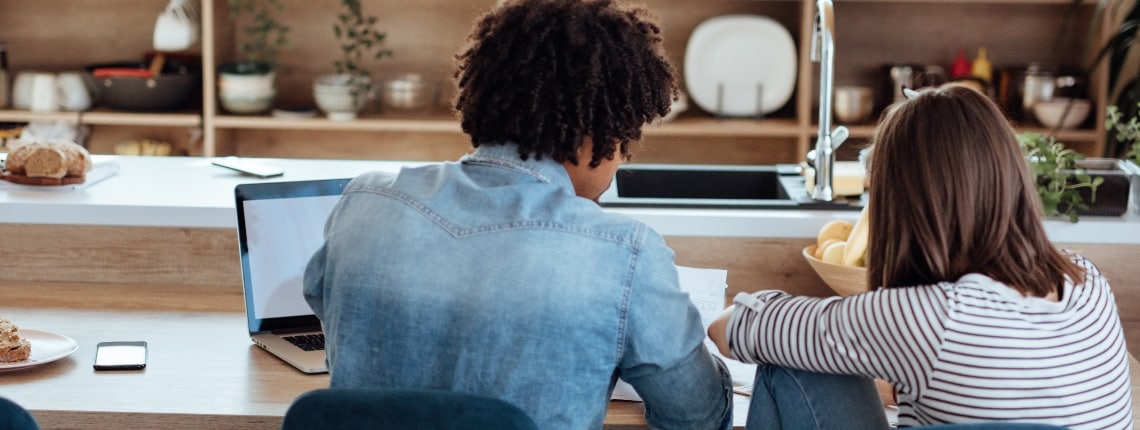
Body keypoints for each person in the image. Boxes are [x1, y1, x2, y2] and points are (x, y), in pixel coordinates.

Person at [303, 1, 733, 429]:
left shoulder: (364, 202)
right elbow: (696, 415)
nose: (622, 157)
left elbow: (324, 302)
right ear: (594, 135)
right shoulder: (624, 252)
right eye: (625, 139)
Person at [709, 84, 1134, 429]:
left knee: (792, 359)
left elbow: (732, 330)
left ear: (903, 206)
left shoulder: (929, 315)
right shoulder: (1087, 280)